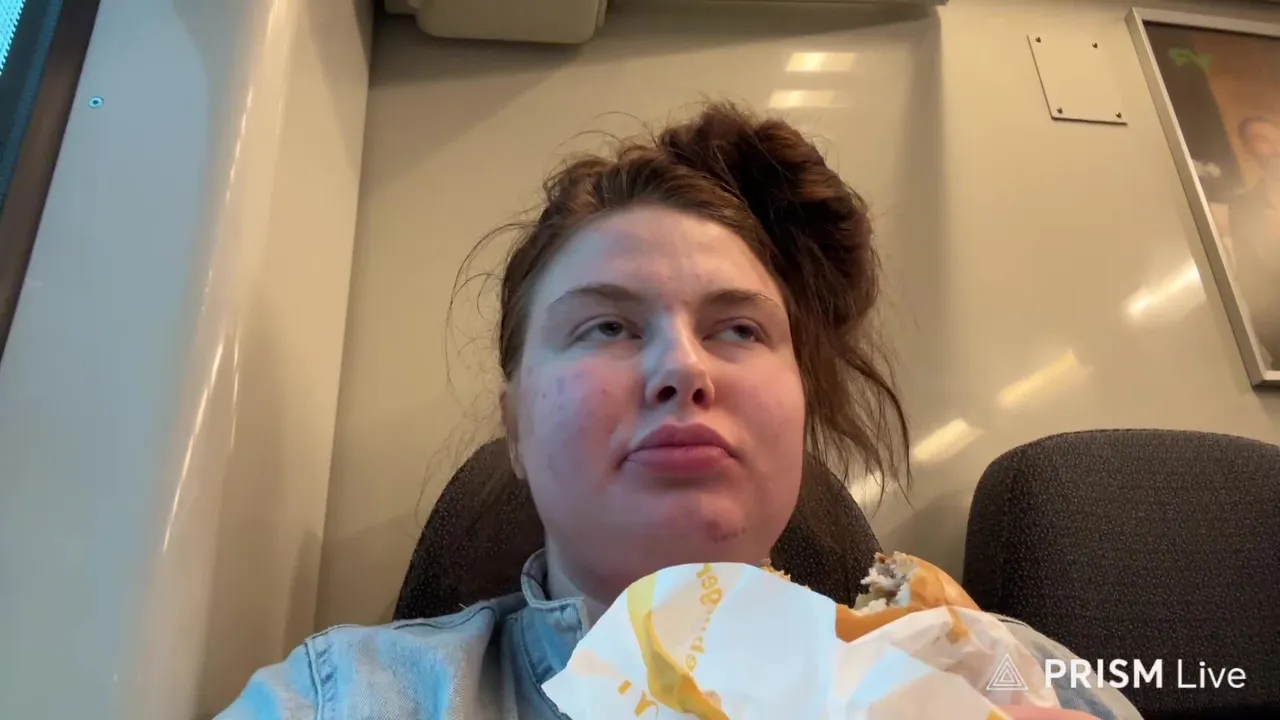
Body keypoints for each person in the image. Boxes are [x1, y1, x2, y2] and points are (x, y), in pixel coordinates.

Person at [217, 104, 1141, 719]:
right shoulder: (341, 700)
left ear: (799, 409)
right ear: (517, 428)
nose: (682, 369)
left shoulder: (1003, 671)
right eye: (608, 327)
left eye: (738, 329)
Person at [1227, 117, 1280, 368]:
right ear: (1248, 151)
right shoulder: (1244, 208)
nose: (1276, 147)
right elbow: (1253, 286)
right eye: (1263, 140)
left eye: (1277, 138)